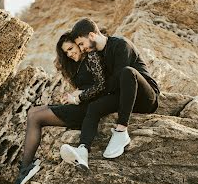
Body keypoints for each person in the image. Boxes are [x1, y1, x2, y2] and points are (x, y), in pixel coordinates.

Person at [59, 18, 160, 168]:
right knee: (94, 107)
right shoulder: (98, 55)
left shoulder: (121, 44)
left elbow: (116, 81)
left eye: (81, 44)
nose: (81, 48)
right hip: (123, 98)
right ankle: (82, 150)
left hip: (146, 98)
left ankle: (121, 131)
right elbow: (105, 85)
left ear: (92, 35)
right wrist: (85, 94)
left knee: (127, 72)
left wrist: (84, 94)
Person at [12, 31, 106, 184]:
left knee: (36, 117)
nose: (69, 54)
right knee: (33, 112)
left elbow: (100, 86)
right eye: (66, 52)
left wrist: (77, 96)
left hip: (89, 110)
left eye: (71, 48)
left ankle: (26, 166)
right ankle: (27, 165)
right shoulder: (78, 65)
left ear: (79, 44)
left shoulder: (91, 58)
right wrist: (72, 95)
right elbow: (85, 87)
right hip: (80, 105)